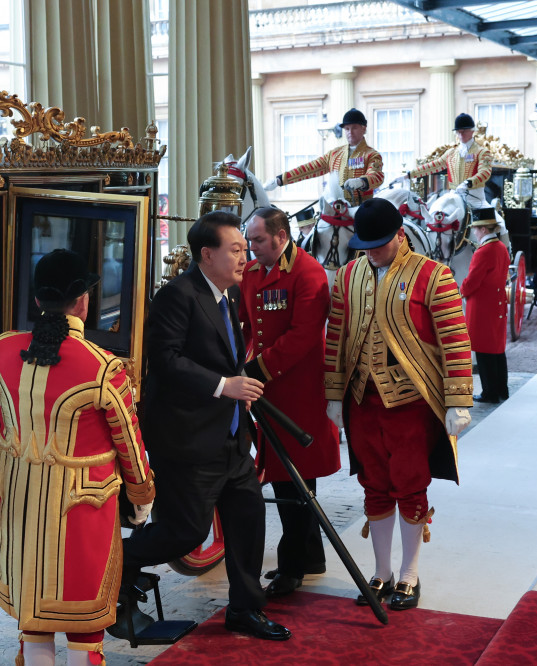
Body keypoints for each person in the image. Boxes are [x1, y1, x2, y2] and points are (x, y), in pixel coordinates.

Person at [121, 211, 291, 641]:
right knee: (186, 532)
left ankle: (245, 609)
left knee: (248, 518)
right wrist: (223, 386)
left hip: (231, 436)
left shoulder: (229, 294)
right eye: (235, 249)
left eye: (245, 248)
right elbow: (165, 360)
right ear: (206, 254)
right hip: (188, 439)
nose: (244, 257)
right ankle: (116, 562)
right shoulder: (177, 296)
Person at [0, 249, 156, 666]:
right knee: (83, 626)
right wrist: (141, 495)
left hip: (17, 503)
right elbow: (129, 443)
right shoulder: (103, 366)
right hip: (80, 506)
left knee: (35, 614)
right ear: (83, 301)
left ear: (36, 301)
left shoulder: (3, 350)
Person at [324, 198, 472, 611]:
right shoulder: (348, 275)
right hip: (362, 401)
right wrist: (334, 393)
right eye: (365, 244)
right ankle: (381, 572)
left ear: (399, 235)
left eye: (379, 243)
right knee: (373, 485)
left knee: (409, 485)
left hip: (411, 403)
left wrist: (458, 400)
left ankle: (410, 574)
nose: (371, 251)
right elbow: (336, 335)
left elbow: (455, 342)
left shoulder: (433, 275)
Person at [237, 207, 341, 598]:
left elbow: (302, 336)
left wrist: (255, 369)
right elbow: (249, 326)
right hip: (266, 390)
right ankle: (310, 556)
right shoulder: (250, 274)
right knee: (286, 479)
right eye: (249, 240)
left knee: (295, 481)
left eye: (258, 240)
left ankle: (293, 565)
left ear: (281, 238)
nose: (251, 248)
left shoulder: (308, 273)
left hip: (298, 395)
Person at [264, 108, 384, 206]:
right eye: (347, 129)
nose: (350, 132)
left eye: (354, 128)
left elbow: (376, 175)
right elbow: (310, 168)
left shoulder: (372, 155)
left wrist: (361, 182)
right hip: (338, 207)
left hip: (362, 207)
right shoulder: (335, 154)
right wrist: (280, 180)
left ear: (364, 129)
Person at [460, 208, 510, 403]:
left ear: (482, 229)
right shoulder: (501, 247)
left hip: (482, 307)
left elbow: (472, 281)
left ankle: (489, 392)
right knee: (497, 350)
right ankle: (501, 389)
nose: (474, 232)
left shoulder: (484, 251)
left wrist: (461, 291)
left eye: (475, 228)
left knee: (483, 351)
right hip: (495, 303)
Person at [408, 113, 493, 211]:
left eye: (464, 131)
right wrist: (409, 174)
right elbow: (432, 166)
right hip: (454, 197)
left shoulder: (482, 152)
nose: (461, 135)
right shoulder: (451, 153)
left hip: (475, 198)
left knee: (494, 221)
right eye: (458, 132)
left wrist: (468, 183)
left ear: (472, 131)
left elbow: (485, 172)